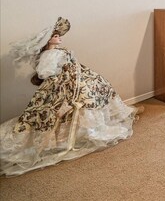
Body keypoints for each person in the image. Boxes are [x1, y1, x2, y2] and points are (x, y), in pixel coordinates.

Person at [0, 17, 141, 177]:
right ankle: (76, 135)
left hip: (77, 80)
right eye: (55, 35)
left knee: (93, 93)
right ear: (48, 40)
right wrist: (64, 71)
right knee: (70, 105)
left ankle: (90, 129)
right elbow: (44, 72)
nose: (59, 37)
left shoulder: (58, 51)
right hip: (63, 85)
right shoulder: (49, 54)